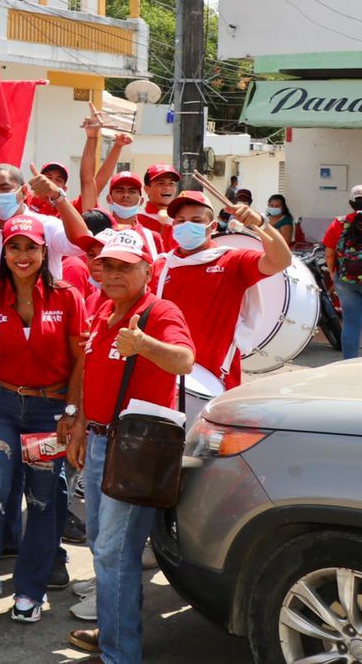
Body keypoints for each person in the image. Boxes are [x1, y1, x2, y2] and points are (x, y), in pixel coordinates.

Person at [66, 230, 195, 664]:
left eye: (126, 266)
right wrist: (82, 421)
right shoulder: (103, 307)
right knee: (104, 545)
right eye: (109, 265)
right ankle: (115, 632)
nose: (114, 274)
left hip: (134, 449)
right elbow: (92, 373)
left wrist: (145, 344)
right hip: (103, 441)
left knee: (112, 553)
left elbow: (184, 360)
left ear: (148, 269)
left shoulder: (159, 311)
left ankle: (119, 653)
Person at [0, 215, 86, 629]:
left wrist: (72, 411)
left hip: (49, 412)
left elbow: (80, 360)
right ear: (4, 252)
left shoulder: (67, 297)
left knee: (43, 502)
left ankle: (29, 591)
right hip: (0, 407)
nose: (22, 255)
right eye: (14, 247)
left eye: (30, 247)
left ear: (44, 251)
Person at [158, 190, 290, 388]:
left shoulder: (233, 261)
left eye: (195, 220)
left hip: (217, 376)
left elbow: (280, 261)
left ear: (212, 227)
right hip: (169, 373)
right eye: (180, 221)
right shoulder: (160, 265)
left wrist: (262, 224)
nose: (186, 226)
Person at [0, 164, 87, 279]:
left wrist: (58, 196)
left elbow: (82, 244)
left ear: (24, 191)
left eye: (5, 188)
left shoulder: (47, 226)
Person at [323, 185, 362, 359]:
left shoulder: (339, 222)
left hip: (345, 279)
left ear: (351, 203)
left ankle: (349, 366)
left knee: (351, 324)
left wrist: (333, 273)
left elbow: (329, 253)